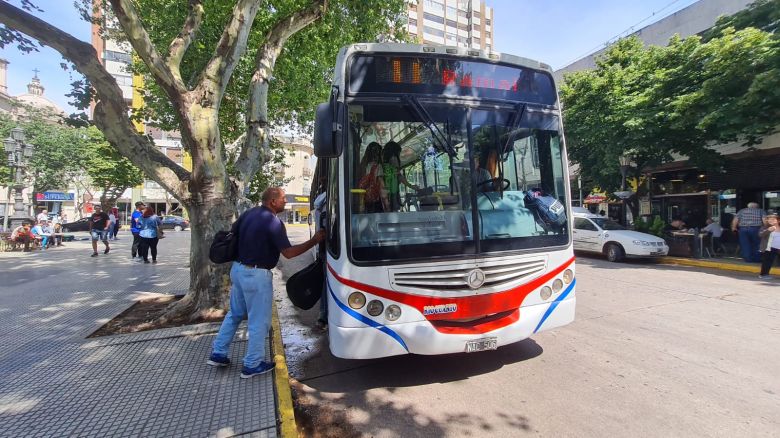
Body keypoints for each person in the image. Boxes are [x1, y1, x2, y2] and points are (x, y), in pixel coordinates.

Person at [207, 187, 326, 378]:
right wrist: (315, 240)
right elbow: (288, 253)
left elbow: (233, 234)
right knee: (259, 321)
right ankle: (252, 364)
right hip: (256, 275)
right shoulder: (273, 222)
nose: (285, 202)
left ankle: (218, 353)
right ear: (272, 201)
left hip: (237, 270)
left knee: (235, 313)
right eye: (283, 199)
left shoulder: (248, 214)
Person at [381, 141, 418, 211]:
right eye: (398, 153)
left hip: (384, 190)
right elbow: (399, 176)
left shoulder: (382, 163)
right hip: (392, 190)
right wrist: (411, 186)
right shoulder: (394, 159)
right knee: (393, 209)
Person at [357, 142, 385, 213]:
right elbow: (381, 184)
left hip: (364, 197)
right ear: (377, 153)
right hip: (375, 198)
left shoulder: (363, 164)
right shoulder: (377, 166)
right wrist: (386, 202)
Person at [758, 212, 780, 279]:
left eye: (773, 219)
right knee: (767, 261)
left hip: (778, 247)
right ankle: (763, 274)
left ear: (778, 220)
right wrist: (768, 230)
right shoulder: (765, 227)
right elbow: (760, 235)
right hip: (769, 248)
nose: (770, 221)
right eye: (769, 219)